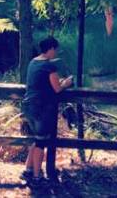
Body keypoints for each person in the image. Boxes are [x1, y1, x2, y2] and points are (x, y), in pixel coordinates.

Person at [21, 36, 73, 186]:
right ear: (50, 49)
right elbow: (57, 88)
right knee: (41, 143)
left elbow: (45, 83)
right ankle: (37, 177)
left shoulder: (33, 62)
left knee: (36, 139)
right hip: (41, 108)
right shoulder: (49, 66)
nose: (56, 52)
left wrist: (59, 83)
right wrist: (67, 83)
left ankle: (28, 170)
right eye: (55, 49)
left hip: (29, 106)